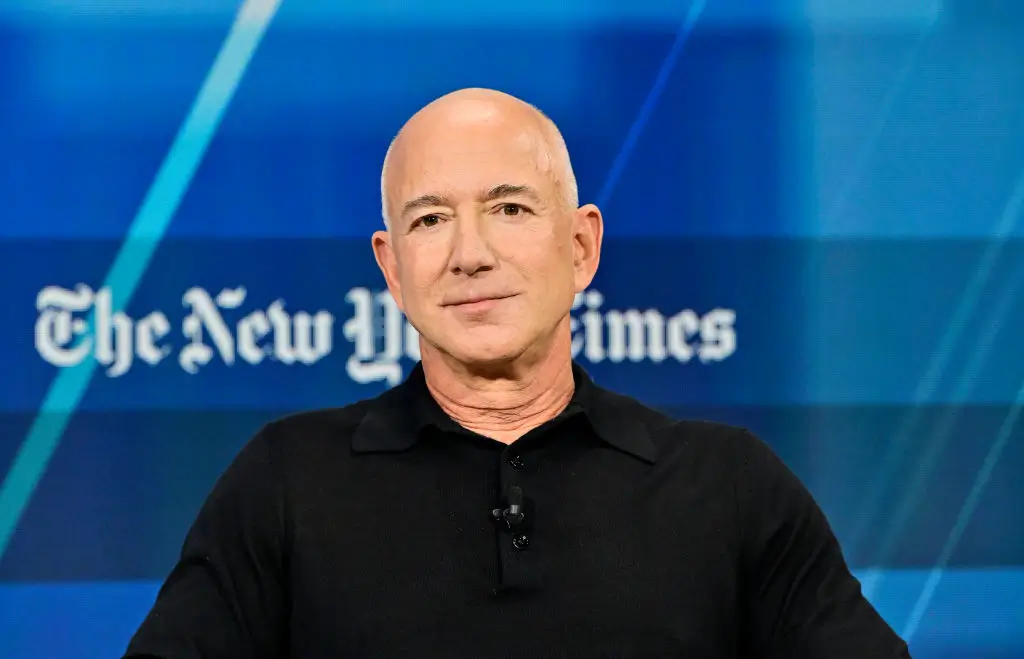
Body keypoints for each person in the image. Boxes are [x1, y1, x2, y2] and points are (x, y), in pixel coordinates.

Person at [123, 88, 911, 658]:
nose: (471, 253)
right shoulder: (285, 481)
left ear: (581, 248)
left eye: (509, 208)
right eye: (431, 220)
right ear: (392, 270)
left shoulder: (728, 482)